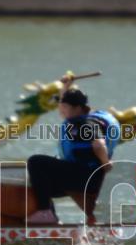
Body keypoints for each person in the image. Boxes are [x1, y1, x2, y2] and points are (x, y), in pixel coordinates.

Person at [26, 89, 119, 225]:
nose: (61, 110)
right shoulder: (76, 121)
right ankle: (50, 219)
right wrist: (66, 85)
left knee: (35, 162)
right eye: (61, 106)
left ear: (78, 108)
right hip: (85, 177)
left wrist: (106, 163)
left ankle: (45, 213)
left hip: (85, 177)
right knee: (41, 184)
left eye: (65, 107)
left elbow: (99, 143)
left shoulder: (84, 124)